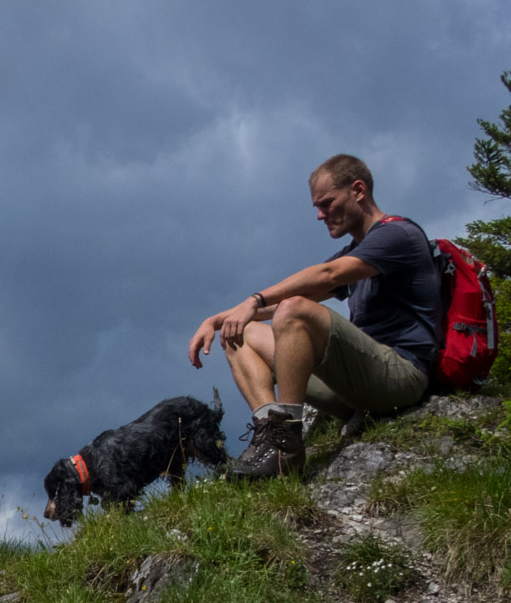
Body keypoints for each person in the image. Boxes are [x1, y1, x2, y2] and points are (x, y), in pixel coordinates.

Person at [187, 154, 441, 478]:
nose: (320, 215)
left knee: (294, 311)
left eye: (327, 203)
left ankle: (287, 449)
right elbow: (299, 295)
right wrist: (220, 319)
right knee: (241, 331)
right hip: (359, 384)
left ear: (358, 190)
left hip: (401, 376)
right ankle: (271, 435)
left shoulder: (397, 236)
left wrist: (254, 299)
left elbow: (327, 276)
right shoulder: (356, 251)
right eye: (317, 208)